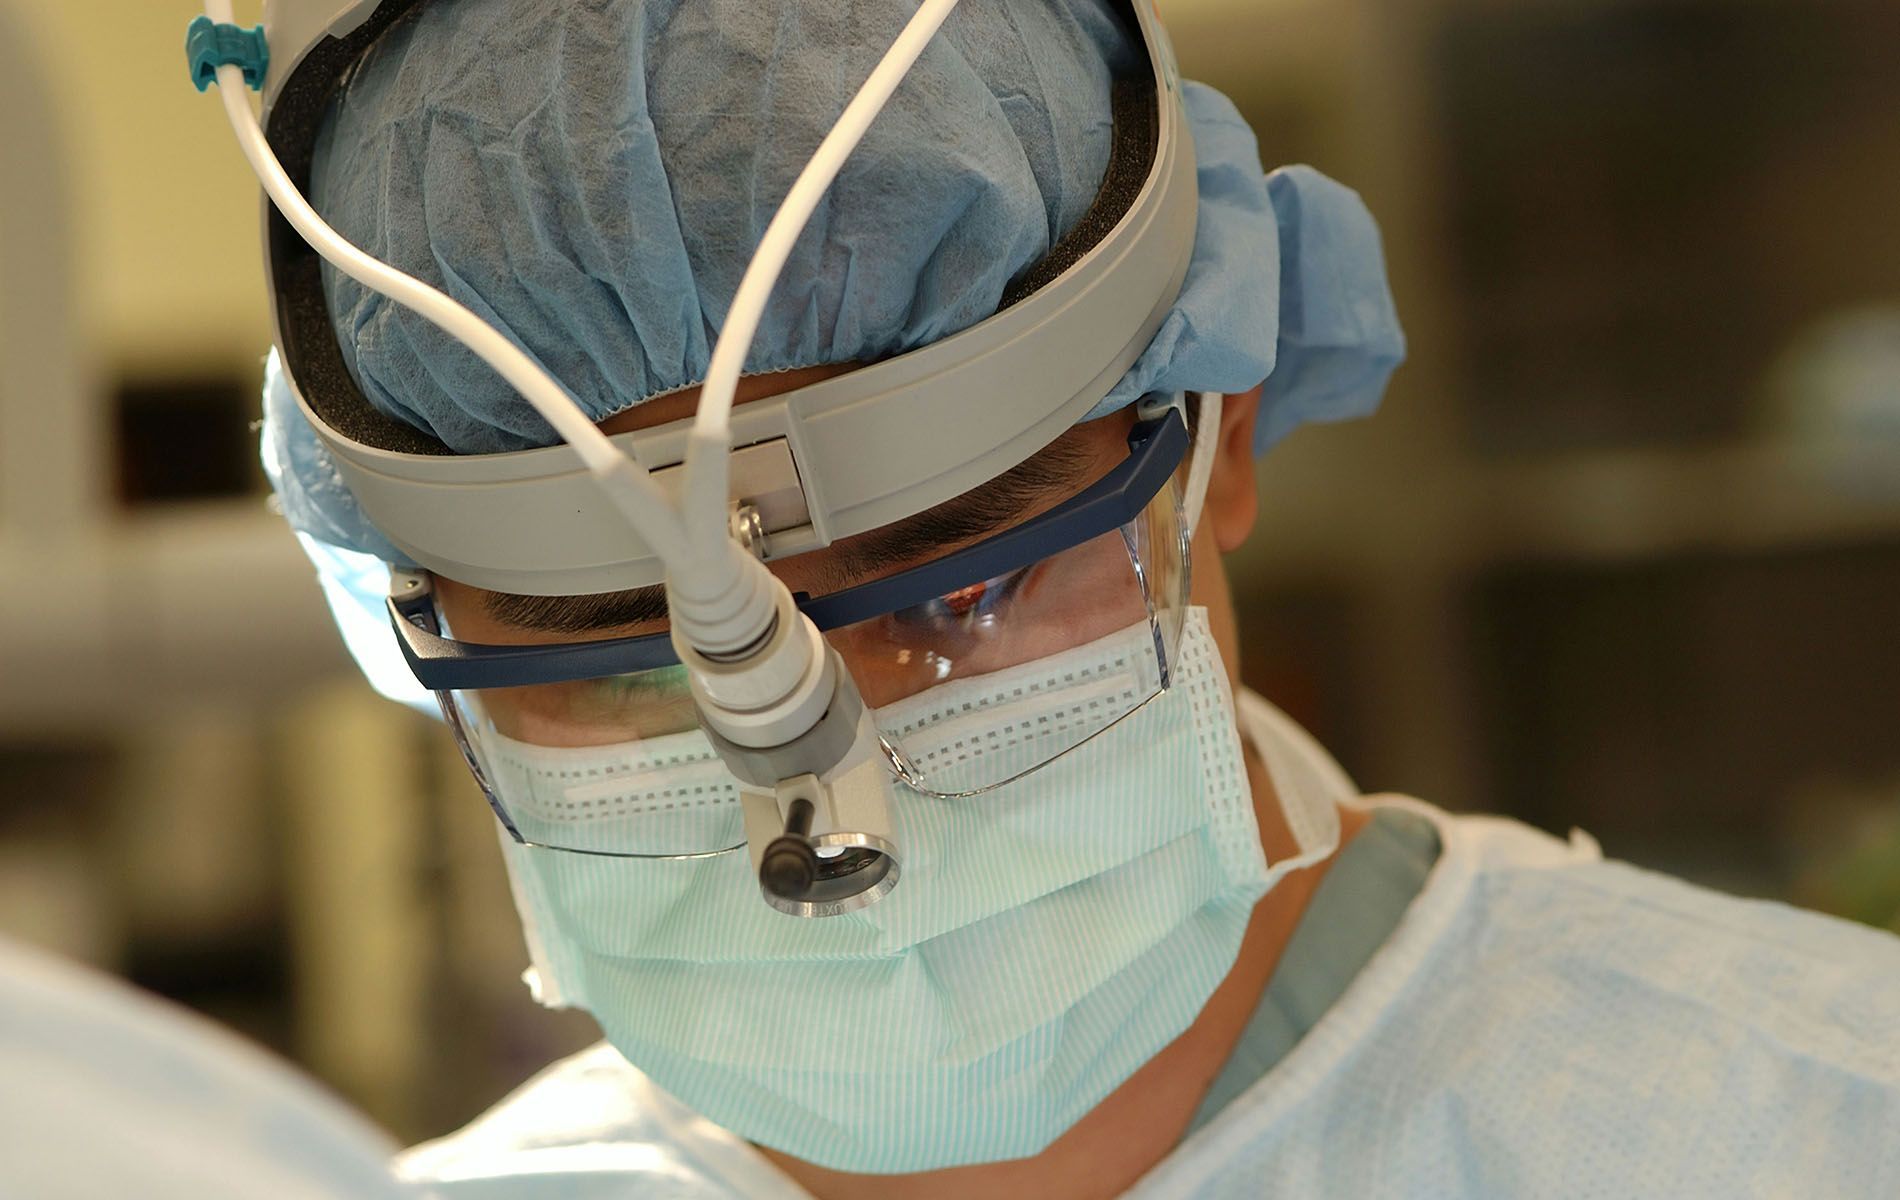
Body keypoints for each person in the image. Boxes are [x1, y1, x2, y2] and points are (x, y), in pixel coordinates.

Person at [248, 0, 1900, 1195]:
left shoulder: (1806, 1127)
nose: (821, 749)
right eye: (615, 642)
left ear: (1219, 439)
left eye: (951, 571)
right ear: (398, 617)